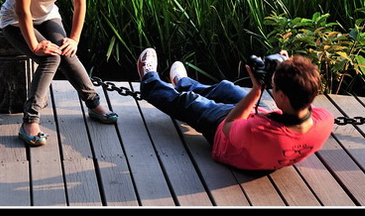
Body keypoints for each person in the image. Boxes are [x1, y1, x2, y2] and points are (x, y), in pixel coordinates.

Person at [0, 0, 118, 147]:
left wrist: (74, 39)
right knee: (50, 57)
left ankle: (93, 103)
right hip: (15, 21)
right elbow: (22, 10)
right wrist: (34, 45)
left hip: (47, 16)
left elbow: (80, 5)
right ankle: (30, 121)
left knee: (65, 49)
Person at [137, 48, 334, 171]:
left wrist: (257, 90)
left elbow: (229, 125)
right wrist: (288, 67)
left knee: (190, 102)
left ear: (282, 97)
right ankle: (182, 82)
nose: (271, 88)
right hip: (263, 125)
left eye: (274, 87)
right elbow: (301, 93)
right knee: (226, 88)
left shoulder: (260, 133)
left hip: (227, 140)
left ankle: (149, 81)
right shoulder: (324, 120)